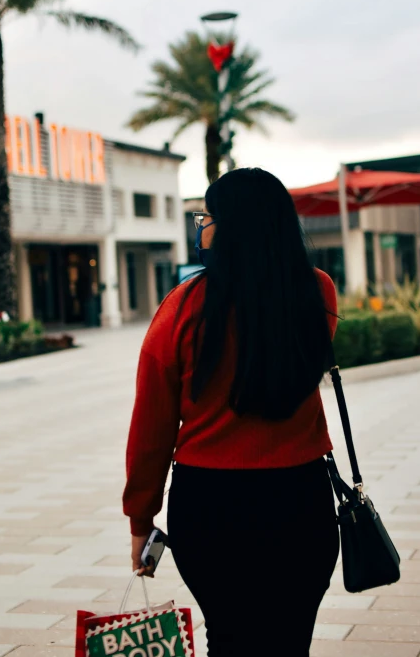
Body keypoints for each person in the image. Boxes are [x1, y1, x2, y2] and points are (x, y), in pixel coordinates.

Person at [123, 168, 340, 656]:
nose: (203, 225)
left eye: (208, 216)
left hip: (212, 507)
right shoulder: (316, 292)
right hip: (300, 500)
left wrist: (141, 518)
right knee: (289, 641)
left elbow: (151, 428)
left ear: (229, 226)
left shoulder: (182, 307)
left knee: (229, 636)